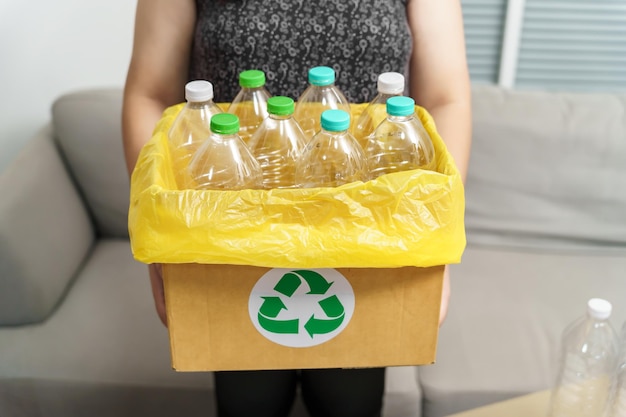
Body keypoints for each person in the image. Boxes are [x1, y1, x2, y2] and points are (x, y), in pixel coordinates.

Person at [122, 1, 471, 416]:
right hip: (230, 241)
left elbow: (445, 98)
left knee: (349, 402)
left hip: (368, 243)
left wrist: (436, 239)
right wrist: (159, 238)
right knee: (249, 403)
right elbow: (152, 94)